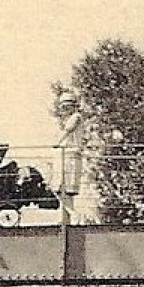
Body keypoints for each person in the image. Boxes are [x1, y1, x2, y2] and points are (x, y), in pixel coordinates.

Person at [56, 91, 85, 223]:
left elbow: (68, 130)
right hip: (67, 155)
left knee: (62, 187)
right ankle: (66, 217)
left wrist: (56, 143)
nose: (65, 109)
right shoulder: (71, 118)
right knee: (64, 189)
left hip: (71, 156)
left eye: (67, 106)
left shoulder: (76, 117)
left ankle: (73, 213)